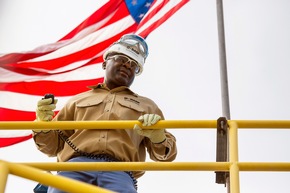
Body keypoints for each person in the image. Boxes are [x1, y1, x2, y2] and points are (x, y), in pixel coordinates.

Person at [33, 34, 177, 193]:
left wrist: (159, 138)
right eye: (121, 59)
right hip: (73, 167)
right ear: (104, 63)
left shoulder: (148, 106)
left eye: (133, 65)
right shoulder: (77, 100)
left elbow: (165, 156)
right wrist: (42, 125)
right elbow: (52, 147)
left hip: (120, 172)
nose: (127, 66)